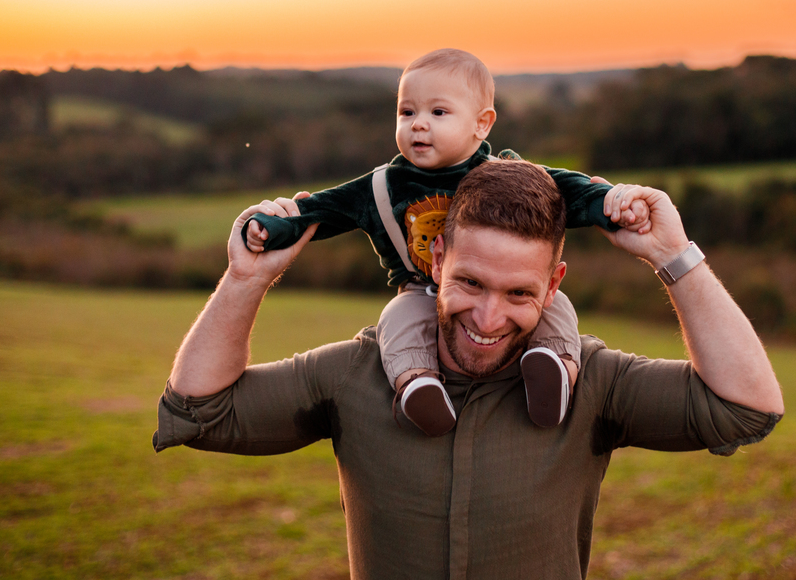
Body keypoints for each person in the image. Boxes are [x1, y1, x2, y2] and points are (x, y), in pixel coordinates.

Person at [155, 159, 784, 580]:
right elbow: (200, 412)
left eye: (519, 293)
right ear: (435, 261)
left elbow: (745, 408)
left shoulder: (592, 382)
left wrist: (674, 258)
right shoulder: (354, 374)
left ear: (555, 284)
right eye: (469, 283)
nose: (488, 318)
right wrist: (246, 279)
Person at [239, 48, 649, 435]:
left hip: (504, 290)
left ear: (482, 123)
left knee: (554, 305)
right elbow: (321, 211)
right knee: (397, 320)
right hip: (420, 291)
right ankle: (418, 386)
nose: (419, 123)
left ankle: (555, 371)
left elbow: (569, 191)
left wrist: (611, 204)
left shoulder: (505, 171)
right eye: (407, 111)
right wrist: (272, 228)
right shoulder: (380, 187)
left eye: (438, 112)